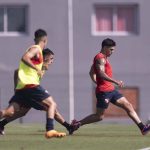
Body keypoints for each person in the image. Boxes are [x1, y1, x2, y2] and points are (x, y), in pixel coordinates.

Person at [70, 38, 150, 135]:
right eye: (111, 49)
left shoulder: (103, 58)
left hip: (111, 90)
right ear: (105, 47)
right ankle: (77, 124)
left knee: (128, 106)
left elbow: (91, 72)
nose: (112, 52)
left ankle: (142, 128)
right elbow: (101, 73)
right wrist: (114, 81)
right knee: (99, 117)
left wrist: (97, 82)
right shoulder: (100, 58)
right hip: (104, 92)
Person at [0, 29, 67, 138]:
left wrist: (17, 88)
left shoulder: (38, 53)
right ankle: (50, 130)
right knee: (52, 104)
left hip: (22, 88)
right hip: (30, 85)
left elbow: (18, 70)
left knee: (8, 112)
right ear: (45, 40)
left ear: (35, 38)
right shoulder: (36, 49)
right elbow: (25, 57)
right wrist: (37, 68)